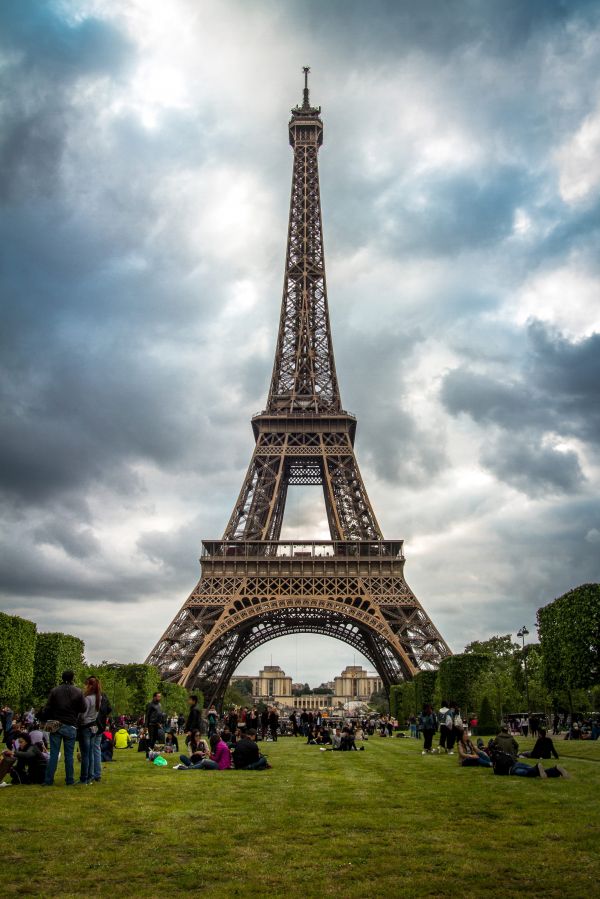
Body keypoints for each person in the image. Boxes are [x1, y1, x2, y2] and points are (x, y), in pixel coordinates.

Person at [41, 670, 86, 787]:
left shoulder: (55, 691)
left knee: (54, 754)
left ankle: (48, 780)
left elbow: (48, 707)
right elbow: (83, 708)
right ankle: (69, 780)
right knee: (69, 755)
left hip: (56, 724)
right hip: (70, 724)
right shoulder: (78, 691)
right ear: (72, 678)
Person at [77, 675, 102, 785]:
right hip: (94, 727)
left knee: (85, 754)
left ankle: (84, 778)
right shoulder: (98, 697)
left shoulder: (87, 698)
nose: (84, 686)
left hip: (86, 727)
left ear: (89, 686)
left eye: (86, 684)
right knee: (91, 753)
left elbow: (83, 715)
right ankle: (90, 777)